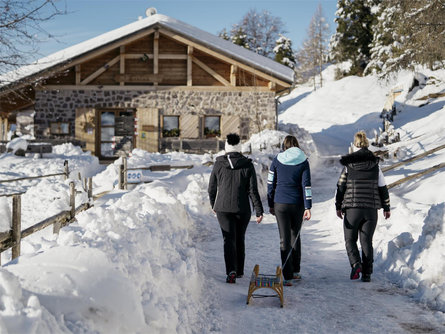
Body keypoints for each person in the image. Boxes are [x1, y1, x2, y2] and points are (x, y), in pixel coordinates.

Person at [335, 131, 391, 282]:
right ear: (367, 145)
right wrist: (386, 207)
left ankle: (356, 264)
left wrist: (338, 206)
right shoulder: (375, 165)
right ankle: (367, 274)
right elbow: (383, 188)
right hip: (371, 210)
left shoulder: (348, 165)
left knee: (350, 240)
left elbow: (340, 186)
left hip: (352, 209)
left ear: (355, 145)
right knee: (367, 241)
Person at [208, 133, 263, 284]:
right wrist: (259, 210)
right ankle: (239, 270)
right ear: (239, 148)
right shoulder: (247, 164)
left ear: (226, 147)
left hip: (223, 208)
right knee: (239, 238)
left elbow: (211, 187)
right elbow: (252, 190)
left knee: (228, 239)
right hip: (242, 208)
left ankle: (230, 271)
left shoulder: (219, 164)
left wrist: (214, 204)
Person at [267, 135, 312, 286]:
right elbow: (306, 185)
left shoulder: (277, 160)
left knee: (284, 238)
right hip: (298, 203)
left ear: (284, 146)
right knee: (295, 236)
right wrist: (308, 206)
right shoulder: (303, 161)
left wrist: (271, 203)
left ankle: (287, 276)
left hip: (280, 203)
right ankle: (295, 271)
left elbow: (270, 183)